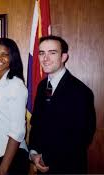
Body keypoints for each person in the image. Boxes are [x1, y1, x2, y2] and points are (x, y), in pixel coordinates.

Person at [29, 35, 96, 174]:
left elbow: (82, 137)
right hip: (41, 166)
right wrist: (34, 153)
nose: (45, 58)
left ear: (64, 57)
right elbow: (37, 124)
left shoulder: (81, 92)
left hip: (68, 167)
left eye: (52, 53)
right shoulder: (42, 86)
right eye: (42, 53)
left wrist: (47, 158)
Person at [0, 38, 29, 175]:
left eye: (5, 54)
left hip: (11, 158)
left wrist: (3, 168)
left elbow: (18, 131)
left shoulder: (15, 85)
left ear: (12, 58)